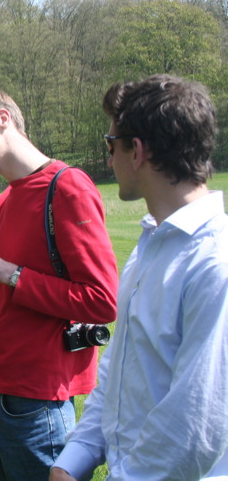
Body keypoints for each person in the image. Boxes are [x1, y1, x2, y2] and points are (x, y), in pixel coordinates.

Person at [50, 74, 228, 480]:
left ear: (138, 151)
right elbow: (121, 366)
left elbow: (195, 425)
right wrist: (74, 457)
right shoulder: (153, 242)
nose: (108, 158)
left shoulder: (215, 261)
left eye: (110, 144)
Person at [0, 85, 119, 480]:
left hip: (36, 402)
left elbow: (102, 300)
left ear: (2, 118)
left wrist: (8, 273)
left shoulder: (67, 186)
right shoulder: (7, 198)